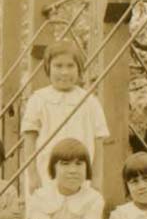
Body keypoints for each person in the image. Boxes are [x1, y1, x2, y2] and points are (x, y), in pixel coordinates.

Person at [22, 40, 109, 194]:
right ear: (48, 68)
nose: (64, 72)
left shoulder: (90, 102)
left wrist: (96, 179)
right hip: (45, 175)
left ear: (79, 69)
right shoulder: (38, 99)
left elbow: (99, 143)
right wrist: (33, 176)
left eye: (70, 66)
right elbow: (29, 141)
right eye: (58, 66)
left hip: (80, 175)